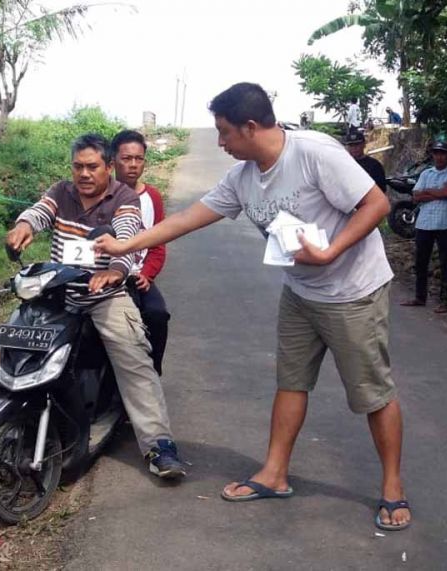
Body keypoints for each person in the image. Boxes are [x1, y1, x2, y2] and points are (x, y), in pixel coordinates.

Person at [94, 82, 411, 531]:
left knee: (372, 393)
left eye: (224, 133)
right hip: (302, 294)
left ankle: (393, 487)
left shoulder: (314, 153)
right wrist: (127, 243)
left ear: (249, 126)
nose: (220, 143)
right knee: (291, 382)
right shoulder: (244, 178)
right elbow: (187, 219)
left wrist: (331, 251)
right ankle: (275, 474)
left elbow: (375, 204)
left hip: (353, 292)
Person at [6, 133, 186, 479]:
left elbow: (127, 236)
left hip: (105, 295)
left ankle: (158, 445)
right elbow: (41, 211)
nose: (84, 174)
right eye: (78, 167)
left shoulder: (125, 198)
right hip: (59, 294)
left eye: (92, 167)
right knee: (20, 344)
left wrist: (116, 271)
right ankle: (21, 419)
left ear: (108, 167)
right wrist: (24, 225)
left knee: (133, 357)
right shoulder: (61, 192)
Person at [110, 129, 171, 376]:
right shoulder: (101, 194)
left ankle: (152, 373)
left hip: (136, 277)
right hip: (104, 274)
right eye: (126, 159)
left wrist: (147, 274)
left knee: (157, 315)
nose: (133, 165)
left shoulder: (152, 197)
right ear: (113, 161)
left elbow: (158, 245)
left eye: (139, 159)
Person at [399, 137, 447, 313]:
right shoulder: (425, 173)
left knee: (446, 261)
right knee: (420, 261)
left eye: (443, 153)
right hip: (424, 222)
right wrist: (439, 192)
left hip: (445, 223)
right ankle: (420, 297)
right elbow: (416, 196)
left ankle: (446, 300)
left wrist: (427, 192)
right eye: (436, 153)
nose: (439, 157)